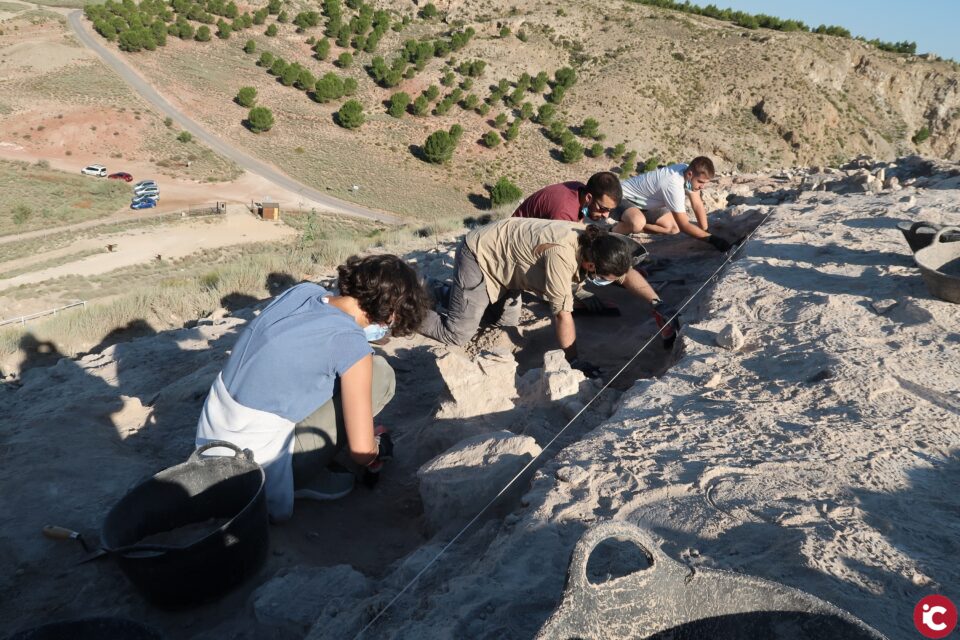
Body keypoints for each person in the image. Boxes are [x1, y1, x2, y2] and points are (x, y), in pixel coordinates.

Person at [195, 255, 430, 523]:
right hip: (252, 468)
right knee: (381, 375)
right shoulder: (349, 344)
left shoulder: (303, 291)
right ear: (390, 315)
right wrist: (377, 449)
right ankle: (297, 478)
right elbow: (361, 452)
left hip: (210, 436)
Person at [419, 218, 677, 375]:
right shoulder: (561, 259)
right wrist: (573, 360)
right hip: (482, 255)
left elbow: (624, 273)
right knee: (457, 333)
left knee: (503, 320)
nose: (612, 282)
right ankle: (405, 305)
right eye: (606, 278)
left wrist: (657, 302)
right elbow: (563, 315)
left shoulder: (597, 245)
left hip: (509, 265)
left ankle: (440, 291)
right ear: (590, 267)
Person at [611, 156, 733, 251]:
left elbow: (697, 204)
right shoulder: (673, 184)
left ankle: (629, 225)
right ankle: (612, 233)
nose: (702, 186)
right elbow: (684, 225)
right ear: (690, 174)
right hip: (619, 197)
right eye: (700, 182)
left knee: (673, 228)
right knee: (637, 222)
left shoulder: (687, 172)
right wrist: (714, 241)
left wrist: (706, 231)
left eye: (705, 183)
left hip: (644, 203)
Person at [512, 171, 622, 223]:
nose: (606, 215)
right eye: (602, 209)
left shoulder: (580, 189)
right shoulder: (564, 212)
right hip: (514, 238)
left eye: (609, 210)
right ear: (589, 198)